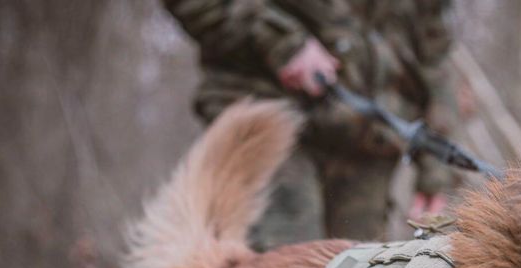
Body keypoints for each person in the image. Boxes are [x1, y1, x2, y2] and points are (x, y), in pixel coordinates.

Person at [164, 0, 460, 245]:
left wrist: (437, 169)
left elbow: (433, 55)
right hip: (271, 124)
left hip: (370, 145)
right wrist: (279, 40)